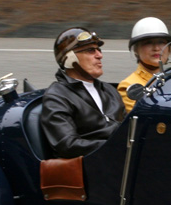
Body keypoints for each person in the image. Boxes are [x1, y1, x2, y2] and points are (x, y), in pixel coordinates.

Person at [41, 27, 125, 158]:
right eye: (91, 50)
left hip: (123, 160)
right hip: (94, 167)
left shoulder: (109, 90)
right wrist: (115, 146)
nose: (99, 55)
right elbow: (67, 145)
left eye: (99, 50)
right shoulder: (57, 96)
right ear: (70, 58)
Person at [118, 17, 171, 112]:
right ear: (136, 50)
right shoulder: (130, 86)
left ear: (169, 48)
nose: (156, 48)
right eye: (148, 43)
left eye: (161, 42)